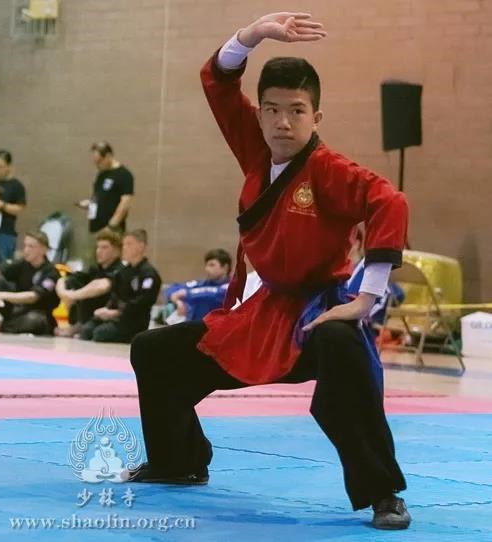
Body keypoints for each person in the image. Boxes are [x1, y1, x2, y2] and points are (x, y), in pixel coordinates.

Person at [126, 12, 411, 531]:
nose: (283, 122)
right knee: (153, 350)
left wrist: (365, 299)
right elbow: (217, 83)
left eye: (296, 111)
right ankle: (179, 460)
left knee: (345, 349)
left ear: (316, 117)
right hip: (260, 316)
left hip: (316, 314)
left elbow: (389, 201)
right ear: (259, 116)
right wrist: (253, 34)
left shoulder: (330, 170)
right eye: (273, 110)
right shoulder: (257, 151)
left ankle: (383, 493)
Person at [80, 229, 161, 343]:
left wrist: (117, 312)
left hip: (134, 320)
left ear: (141, 247)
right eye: (124, 244)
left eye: (129, 244)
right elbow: (115, 296)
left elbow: (143, 302)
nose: (124, 248)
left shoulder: (148, 274)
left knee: (101, 333)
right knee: (87, 330)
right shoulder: (123, 272)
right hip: (116, 317)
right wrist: (107, 309)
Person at [55, 229, 124, 337]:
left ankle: (81, 326)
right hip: (88, 317)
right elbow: (64, 279)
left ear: (117, 251)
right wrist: (64, 293)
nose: (98, 251)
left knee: (91, 289)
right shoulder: (95, 269)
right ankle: (77, 323)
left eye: (104, 247)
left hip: (109, 315)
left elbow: (102, 286)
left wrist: (73, 295)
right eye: (98, 247)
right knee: (72, 282)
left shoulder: (120, 270)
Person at [0, 231, 60, 335]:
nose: (26, 250)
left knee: (34, 320)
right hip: (16, 309)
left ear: (43, 250)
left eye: (31, 246)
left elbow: (33, 297)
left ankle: (0, 327)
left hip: (36, 312)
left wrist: (0, 295)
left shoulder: (51, 273)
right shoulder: (22, 263)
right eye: (25, 246)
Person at [77, 142, 134, 262]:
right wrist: (89, 203)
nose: (97, 165)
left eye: (99, 161)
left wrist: (111, 226)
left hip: (110, 229)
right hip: (95, 228)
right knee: (91, 263)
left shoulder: (124, 175)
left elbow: (125, 203)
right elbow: (100, 197)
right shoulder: (101, 175)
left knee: (109, 262)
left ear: (108, 156)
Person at [164, 248, 232, 323]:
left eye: (212, 265)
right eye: (206, 265)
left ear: (225, 267)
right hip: (194, 326)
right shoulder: (202, 284)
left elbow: (215, 294)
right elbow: (172, 288)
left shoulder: (231, 286)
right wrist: (177, 301)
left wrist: (187, 293)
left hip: (218, 327)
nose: (207, 269)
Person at [0, 150, 27, 264]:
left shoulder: (17, 186)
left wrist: (1, 205)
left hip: (5, 234)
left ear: (9, 166)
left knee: (3, 265)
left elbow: (20, 208)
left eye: (0, 166)